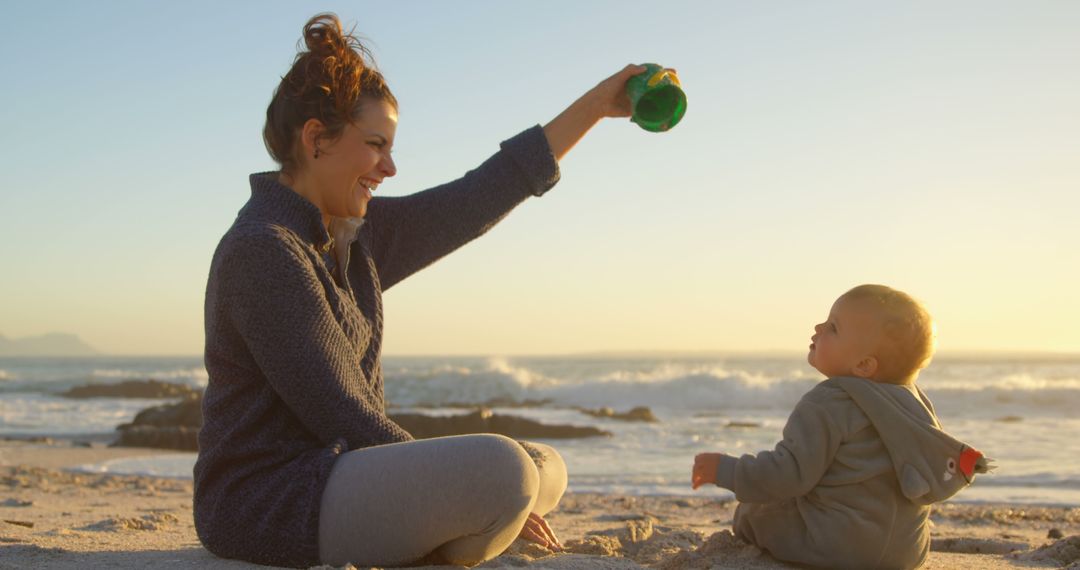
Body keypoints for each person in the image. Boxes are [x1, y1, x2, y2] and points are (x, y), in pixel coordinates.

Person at [194, 12, 650, 569]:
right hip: (271, 503)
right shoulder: (263, 250)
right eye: (375, 145)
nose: (389, 166)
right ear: (316, 139)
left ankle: (468, 520)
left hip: (338, 476)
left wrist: (598, 106)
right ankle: (469, 524)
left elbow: (476, 199)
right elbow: (340, 409)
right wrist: (472, 484)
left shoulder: (355, 237)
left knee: (543, 466)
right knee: (503, 472)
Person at [692, 284, 992, 570]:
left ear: (864, 366)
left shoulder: (828, 401)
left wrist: (727, 470)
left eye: (833, 327)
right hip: (906, 553)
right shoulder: (914, 401)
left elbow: (788, 475)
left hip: (837, 547)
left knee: (752, 512)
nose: (818, 328)